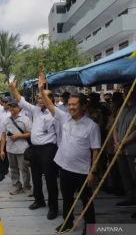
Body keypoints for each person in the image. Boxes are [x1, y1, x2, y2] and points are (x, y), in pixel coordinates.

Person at [37, 73, 101, 234]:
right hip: (65, 167)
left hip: (82, 171)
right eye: (69, 104)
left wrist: (93, 172)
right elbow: (50, 106)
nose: (71, 107)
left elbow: (96, 150)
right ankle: (67, 222)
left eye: (74, 105)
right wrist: (40, 88)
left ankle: (90, 228)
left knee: (86, 201)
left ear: (83, 106)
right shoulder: (65, 118)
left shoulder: (91, 126)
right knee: (66, 199)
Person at [9, 81, 59, 220]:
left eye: (43, 97)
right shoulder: (36, 110)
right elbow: (21, 101)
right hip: (35, 150)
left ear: (51, 100)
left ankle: (53, 207)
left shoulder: (55, 114)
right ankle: (39, 200)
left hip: (48, 150)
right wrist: (13, 88)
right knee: (36, 178)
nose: (39, 100)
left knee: (50, 180)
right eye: (38, 98)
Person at [0, 99, 32, 196]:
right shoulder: (6, 120)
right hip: (10, 149)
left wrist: (18, 136)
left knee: (24, 169)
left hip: (22, 149)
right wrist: (2, 150)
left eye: (14, 106)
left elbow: (30, 133)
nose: (12, 109)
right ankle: (17, 186)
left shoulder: (25, 119)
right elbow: (3, 135)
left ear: (19, 108)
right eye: (10, 107)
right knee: (13, 168)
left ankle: (27, 187)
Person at [113, 83, 136, 214]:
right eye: (125, 92)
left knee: (134, 176)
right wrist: (117, 142)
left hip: (132, 149)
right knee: (125, 175)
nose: (126, 95)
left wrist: (123, 142)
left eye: (129, 92)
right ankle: (130, 197)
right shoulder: (122, 109)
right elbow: (114, 127)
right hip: (120, 149)